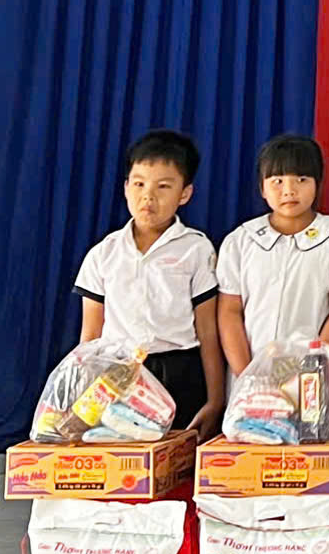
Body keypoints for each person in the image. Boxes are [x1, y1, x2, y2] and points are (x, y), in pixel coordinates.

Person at [73, 130, 224, 434]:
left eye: (163, 186)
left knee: (176, 455)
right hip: (117, 376)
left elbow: (208, 330)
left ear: (185, 194)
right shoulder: (103, 253)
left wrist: (216, 399)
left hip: (179, 372)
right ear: (126, 187)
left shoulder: (196, 249)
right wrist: (80, 399)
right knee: (123, 455)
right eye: (139, 184)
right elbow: (90, 336)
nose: (148, 197)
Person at [217, 135, 329, 376]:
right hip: (249, 377)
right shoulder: (240, 240)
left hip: (311, 376)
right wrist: (248, 376)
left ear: (318, 184)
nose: (289, 191)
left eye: (301, 180)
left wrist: (308, 371)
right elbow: (229, 312)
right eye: (277, 181)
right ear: (262, 188)